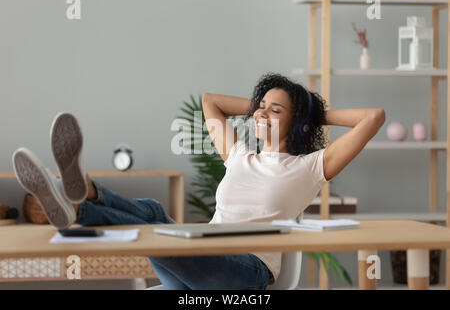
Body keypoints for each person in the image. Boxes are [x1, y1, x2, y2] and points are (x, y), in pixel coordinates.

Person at [12, 73, 385, 290]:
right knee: (155, 212)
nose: (261, 113)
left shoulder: (309, 167)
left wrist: (310, 111)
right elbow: (211, 101)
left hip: (246, 270)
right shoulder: (239, 155)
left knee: (161, 231)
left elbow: (373, 117)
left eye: (276, 110)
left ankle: (82, 203)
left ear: (298, 121)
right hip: (200, 256)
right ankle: (81, 198)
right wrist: (260, 106)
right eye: (260, 106)